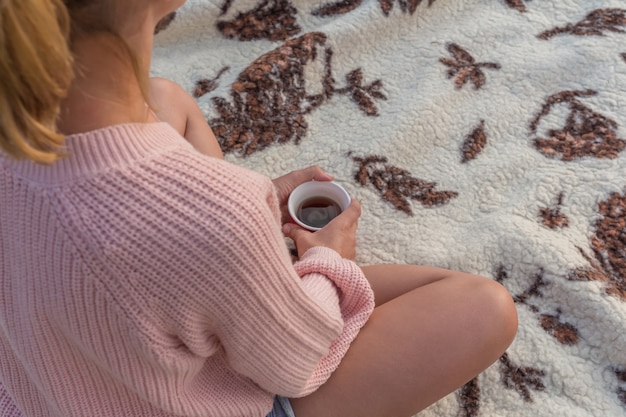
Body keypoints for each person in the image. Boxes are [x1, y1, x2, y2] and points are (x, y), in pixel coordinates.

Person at [0, 1, 518, 416]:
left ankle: (232, 268)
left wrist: (225, 225)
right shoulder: (219, 212)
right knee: (483, 308)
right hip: (184, 393)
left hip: (45, 384)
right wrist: (327, 260)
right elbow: (291, 363)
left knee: (164, 96)